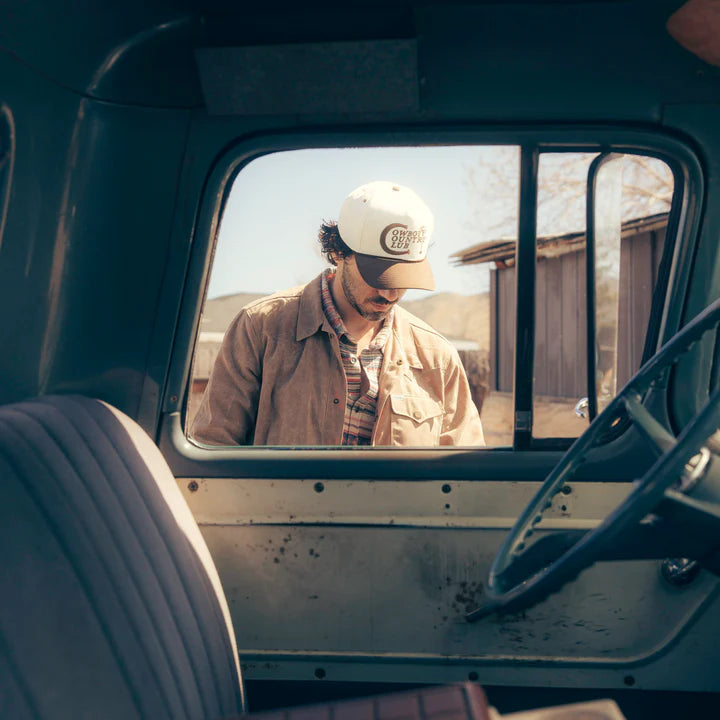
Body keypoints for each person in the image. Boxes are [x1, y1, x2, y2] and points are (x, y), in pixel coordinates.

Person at [191, 181, 485, 447]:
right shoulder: (261, 328)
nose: (390, 293)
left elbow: (464, 476)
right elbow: (213, 446)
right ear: (338, 252)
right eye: (378, 276)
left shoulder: (438, 358)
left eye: (402, 279)